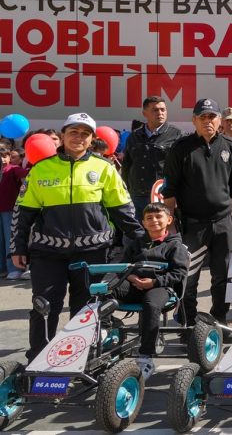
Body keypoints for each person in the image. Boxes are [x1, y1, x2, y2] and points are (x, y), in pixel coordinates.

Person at [11, 112, 142, 360]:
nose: (78, 137)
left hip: (93, 251)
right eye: (73, 132)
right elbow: (22, 213)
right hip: (48, 252)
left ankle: (80, 358)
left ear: (92, 139)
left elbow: (123, 210)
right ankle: (38, 358)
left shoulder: (104, 168)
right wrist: (18, 249)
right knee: (44, 306)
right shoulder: (41, 169)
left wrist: (144, 242)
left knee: (86, 309)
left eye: (85, 133)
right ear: (62, 135)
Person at [163, 98, 232, 328]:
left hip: (223, 223)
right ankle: (188, 322)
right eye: (203, 117)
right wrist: (169, 225)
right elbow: (169, 190)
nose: (208, 121)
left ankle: (218, 321)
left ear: (219, 120)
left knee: (222, 278)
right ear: (194, 120)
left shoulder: (230, 147)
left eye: (212, 116)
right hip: (193, 226)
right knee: (188, 278)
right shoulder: (181, 148)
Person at [111, 202, 188, 379]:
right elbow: (121, 266)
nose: (154, 220)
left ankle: (146, 356)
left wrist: (153, 282)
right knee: (104, 292)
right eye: (149, 218)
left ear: (169, 220)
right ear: (143, 223)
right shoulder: (136, 243)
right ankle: (108, 332)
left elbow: (179, 273)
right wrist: (130, 278)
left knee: (151, 305)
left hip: (161, 286)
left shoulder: (175, 246)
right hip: (133, 283)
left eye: (158, 216)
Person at [121, 96, 182, 213]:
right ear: (145, 113)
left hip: (163, 197)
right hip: (136, 197)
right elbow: (126, 167)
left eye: (163, 110)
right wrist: (128, 190)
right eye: (155, 110)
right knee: (138, 231)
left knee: (162, 231)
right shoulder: (134, 136)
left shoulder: (176, 135)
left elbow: (182, 168)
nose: (160, 113)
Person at [0, 145, 30, 280]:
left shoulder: (13, 169)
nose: (2, 159)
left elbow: (28, 174)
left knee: (10, 239)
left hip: (10, 210)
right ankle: (3, 268)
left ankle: (15, 268)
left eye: (5, 156)